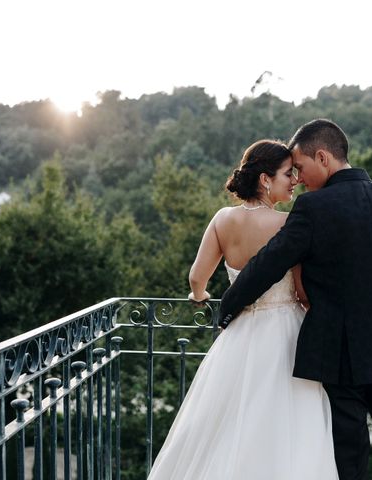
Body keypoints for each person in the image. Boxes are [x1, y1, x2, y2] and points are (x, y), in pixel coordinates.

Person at [219, 119, 372, 480]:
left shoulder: (313, 209)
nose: (298, 179)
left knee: (347, 455)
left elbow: (269, 264)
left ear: (323, 157)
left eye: (300, 168)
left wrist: (228, 308)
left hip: (339, 350)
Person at [148, 140, 338, 479]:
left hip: (239, 334)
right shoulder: (287, 223)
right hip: (286, 333)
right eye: (287, 174)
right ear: (265, 179)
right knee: (287, 425)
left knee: (226, 425)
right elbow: (302, 288)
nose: (294, 180)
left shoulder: (223, 219)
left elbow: (196, 278)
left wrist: (201, 296)